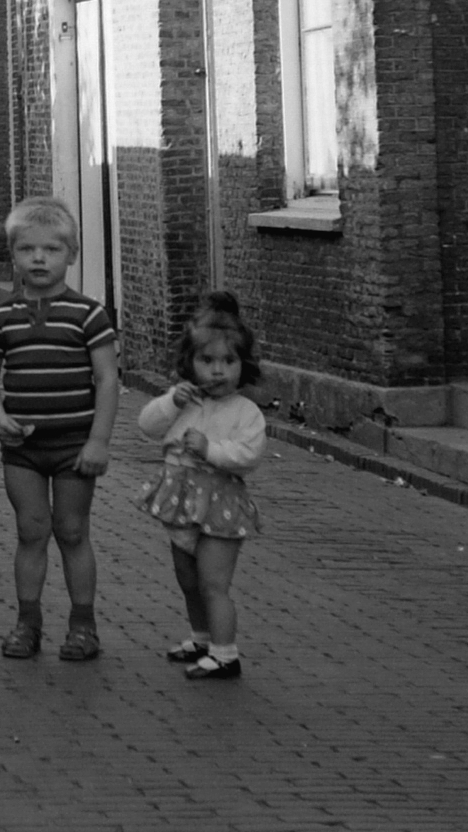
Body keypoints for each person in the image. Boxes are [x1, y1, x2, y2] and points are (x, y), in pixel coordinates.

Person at [0, 196, 119, 661]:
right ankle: (28, 623)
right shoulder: (1, 316)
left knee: (73, 531)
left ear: (71, 254)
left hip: (75, 446)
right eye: (27, 249)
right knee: (30, 531)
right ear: (13, 254)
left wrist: (98, 441)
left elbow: (107, 379)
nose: (39, 259)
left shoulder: (89, 315)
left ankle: (83, 626)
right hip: (23, 449)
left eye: (51, 249)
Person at [136, 290, 266, 681]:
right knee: (188, 579)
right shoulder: (185, 401)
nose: (218, 371)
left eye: (228, 361)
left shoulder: (245, 411)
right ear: (190, 363)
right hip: (181, 501)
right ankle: (201, 638)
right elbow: (147, 426)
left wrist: (211, 450)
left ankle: (225, 654)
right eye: (207, 361)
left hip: (219, 505)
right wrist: (171, 402)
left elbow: (249, 454)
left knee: (213, 582)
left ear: (243, 365)